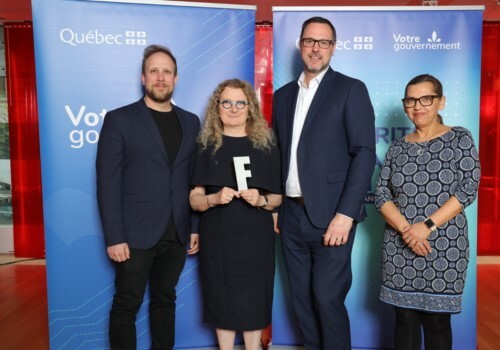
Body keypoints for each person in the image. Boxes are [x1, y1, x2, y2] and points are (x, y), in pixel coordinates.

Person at [272, 16, 376, 350]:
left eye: (323, 42)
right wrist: (275, 204)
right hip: (290, 215)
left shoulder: (350, 89)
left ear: (333, 47)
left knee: (327, 299)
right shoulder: (283, 95)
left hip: (332, 217)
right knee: (301, 300)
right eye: (309, 41)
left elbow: (363, 154)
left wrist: (346, 215)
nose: (315, 49)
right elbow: (279, 152)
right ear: (300, 45)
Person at [96, 44, 200, 350]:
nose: (161, 77)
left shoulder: (191, 121)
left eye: (167, 71)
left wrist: (194, 227)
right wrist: (114, 237)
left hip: (177, 232)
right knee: (126, 304)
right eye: (154, 71)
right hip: (134, 235)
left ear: (176, 79)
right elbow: (107, 183)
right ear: (143, 77)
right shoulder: (120, 120)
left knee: (165, 300)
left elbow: (195, 180)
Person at [374, 74, 481, 350]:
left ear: (441, 102)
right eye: (410, 99)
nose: (417, 105)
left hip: (444, 246)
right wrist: (408, 231)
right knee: (404, 319)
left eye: (426, 99)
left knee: (437, 322)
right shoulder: (397, 147)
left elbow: (469, 187)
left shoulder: (460, 138)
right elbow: (382, 194)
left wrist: (427, 226)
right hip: (400, 245)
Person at [189, 78, 282, 350]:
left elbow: (277, 197)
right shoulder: (205, 146)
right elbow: (194, 200)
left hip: (256, 237)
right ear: (217, 107)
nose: (233, 108)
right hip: (218, 235)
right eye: (226, 102)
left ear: (250, 107)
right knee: (221, 295)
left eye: (240, 103)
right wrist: (213, 198)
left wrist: (261, 199)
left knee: (255, 296)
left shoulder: (266, 146)